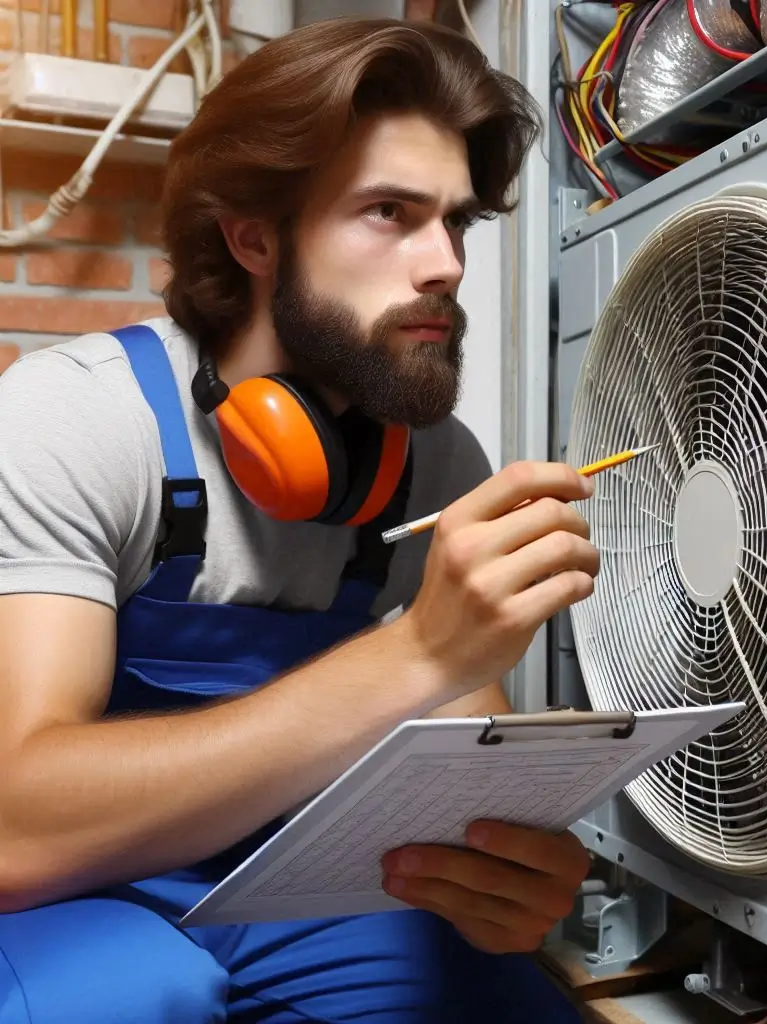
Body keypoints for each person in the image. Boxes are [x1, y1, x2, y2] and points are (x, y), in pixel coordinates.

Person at [0, 17, 603, 1023]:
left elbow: (465, 771)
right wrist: (414, 654)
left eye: (454, 222)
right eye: (388, 213)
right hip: (67, 895)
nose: (445, 263)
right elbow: (14, 828)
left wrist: (510, 872)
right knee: (142, 990)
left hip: (298, 894)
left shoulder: (439, 464)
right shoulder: (74, 416)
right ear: (255, 237)